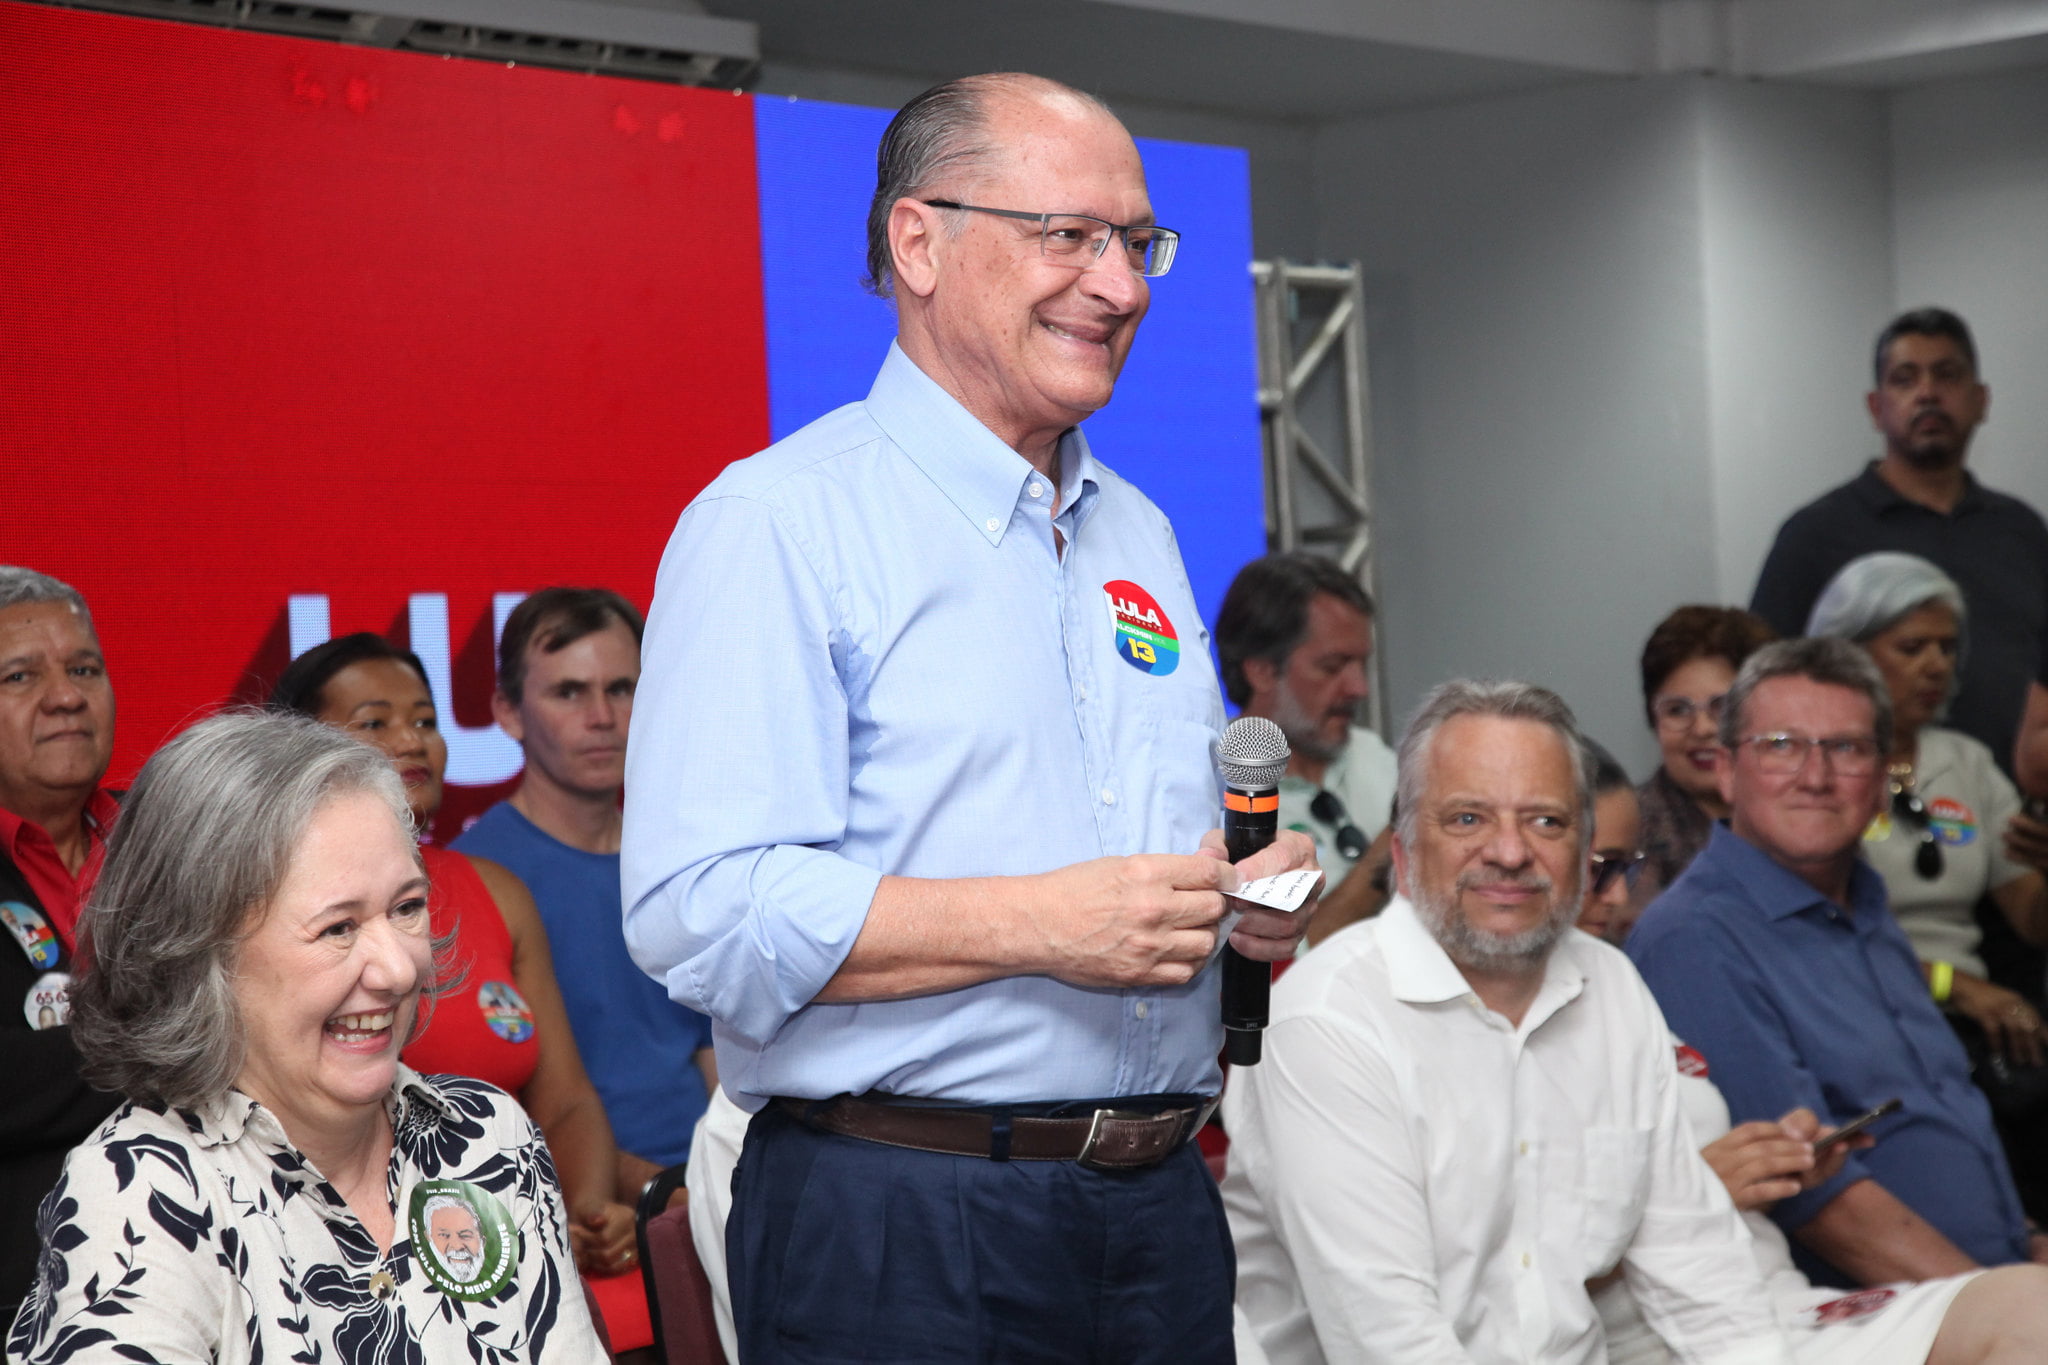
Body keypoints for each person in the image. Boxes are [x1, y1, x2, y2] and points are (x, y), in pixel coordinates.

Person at [622, 72, 1318, 1362]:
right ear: (919, 242)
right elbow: (699, 913)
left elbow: (1136, 875)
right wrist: (1037, 925)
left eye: (1137, 243)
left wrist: (1238, 902)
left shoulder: (1139, 531)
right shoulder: (778, 525)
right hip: (904, 1219)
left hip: (1161, 1208)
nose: (1122, 286)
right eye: (1070, 236)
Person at [6, 711, 607, 1363]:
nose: (400, 969)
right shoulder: (142, 1190)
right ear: (201, 953)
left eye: (407, 907)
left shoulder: (485, 1136)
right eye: (338, 928)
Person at [1222, 679, 1788, 1364]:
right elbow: (1392, 1342)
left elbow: (1698, 1265)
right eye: (1468, 818)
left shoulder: (1612, 987)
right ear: (1402, 852)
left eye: (1546, 821)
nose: (1511, 853)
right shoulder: (1327, 1023)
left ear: (1585, 853)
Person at [1582, 759, 2048, 1365]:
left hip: (1780, 1304)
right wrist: (1698, 1192)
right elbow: (1516, 1269)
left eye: (1626, 867)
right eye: (1600, 868)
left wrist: (1779, 1164)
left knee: (2030, 1309)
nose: (1619, 896)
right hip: (1667, 1334)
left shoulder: (1614, 983)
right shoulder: (1683, 939)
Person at [1628, 638, 2047, 1289]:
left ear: (1882, 780)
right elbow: (1813, 1195)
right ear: (1727, 771)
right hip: (1889, 1316)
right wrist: (1999, 1307)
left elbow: (1941, 1116)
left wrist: (2027, 1245)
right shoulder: (1694, 939)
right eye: (1781, 746)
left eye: (1847, 748)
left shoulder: (1866, 905)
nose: (1816, 776)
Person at [269, 636, 638, 1289]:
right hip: (362, 1261)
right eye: (376, 723)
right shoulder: (273, 905)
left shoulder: (497, 891)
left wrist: (585, 1214)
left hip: (531, 1238)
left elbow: (567, 1100)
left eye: (425, 721)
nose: (412, 741)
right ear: (299, 749)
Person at [1806, 552, 2048, 1219]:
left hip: (1978, 1023)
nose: (1937, 665)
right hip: (1872, 1009)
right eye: (1912, 647)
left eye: (1946, 646)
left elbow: (2032, 921)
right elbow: (1821, 937)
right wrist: (1956, 986)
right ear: (1848, 653)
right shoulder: (1818, 770)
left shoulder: (1965, 761)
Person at [454, 587, 716, 1196]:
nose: (602, 716)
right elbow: (482, 1099)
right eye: (569, 692)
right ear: (508, 713)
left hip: (709, 1182)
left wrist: (729, 1184)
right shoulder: (473, 879)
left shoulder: (687, 860)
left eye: (622, 689)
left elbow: (718, 1059)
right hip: (554, 1199)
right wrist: (638, 1190)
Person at [1750, 308, 2048, 771]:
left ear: (1981, 400)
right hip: (1864, 799)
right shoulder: (1815, 534)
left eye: (1947, 375)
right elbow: (1762, 690)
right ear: (1876, 407)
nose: (1927, 393)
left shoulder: (2023, 531)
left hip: (2013, 804)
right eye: (1905, 379)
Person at [0, 567, 123, 1325]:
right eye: (21, 676)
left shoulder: (180, 838)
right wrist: (187, 1044)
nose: (66, 696)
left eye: (83, 669)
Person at [1215, 552, 1395, 945]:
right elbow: (1280, 957)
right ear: (1262, 670)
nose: (1359, 688)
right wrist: (1395, 850)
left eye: (1361, 664)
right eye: (1332, 666)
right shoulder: (1218, 796)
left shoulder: (1375, 758)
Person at [1629, 605, 1778, 934]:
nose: (1702, 728)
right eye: (1677, 710)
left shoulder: (1803, 815)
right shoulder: (1629, 833)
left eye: (1722, 707)